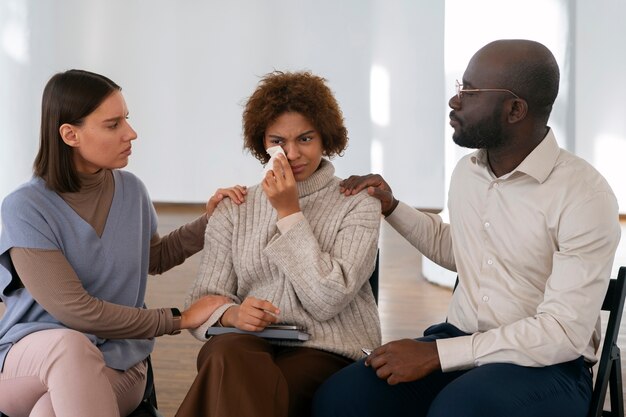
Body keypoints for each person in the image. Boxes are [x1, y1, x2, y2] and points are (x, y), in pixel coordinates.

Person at [312, 39, 621, 417]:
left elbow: (561, 334)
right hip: (460, 341)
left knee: (457, 410)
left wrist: (438, 354)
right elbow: (461, 250)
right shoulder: (469, 173)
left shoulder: (584, 196)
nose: (454, 101)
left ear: (515, 109)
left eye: (470, 91)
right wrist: (391, 207)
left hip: (545, 365)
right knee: (340, 399)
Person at [0, 69, 245, 417]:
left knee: (48, 412)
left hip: (119, 360)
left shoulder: (131, 190)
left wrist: (212, 221)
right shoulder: (25, 206)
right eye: (113, 125)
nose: (131, 133)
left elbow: (153, 258)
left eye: (126, 120)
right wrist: (180, 319)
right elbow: (76, 311)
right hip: (30, 358)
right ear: (70, 134)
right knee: (70, 346)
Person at [175, 70, 382, 417]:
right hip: (249, 344)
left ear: (325, 138)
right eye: (277, 142)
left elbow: (327, 299)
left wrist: (288, 213)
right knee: (227, 353)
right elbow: (201, 300)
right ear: (262, 143)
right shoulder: (235, 208)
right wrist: (232, 313)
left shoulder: (357, 202)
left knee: (230, 372)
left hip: (326, 349)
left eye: (305, 139)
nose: (291, 153)